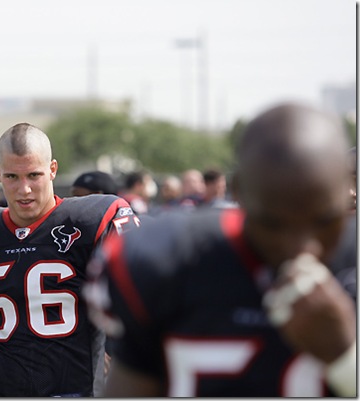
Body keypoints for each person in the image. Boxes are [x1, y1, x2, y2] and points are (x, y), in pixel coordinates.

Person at [85, 102, 357, 397]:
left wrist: (345, 358)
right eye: (273, 223)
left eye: (323, 221)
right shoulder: (165, 261)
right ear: (239, 192)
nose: (301, 247)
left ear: (349, 190)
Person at [0, 122, 141, 397]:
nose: (24, 190)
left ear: (52, 170)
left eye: (34, 175)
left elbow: (140, 313)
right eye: (12, 177)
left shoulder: (93, 221)